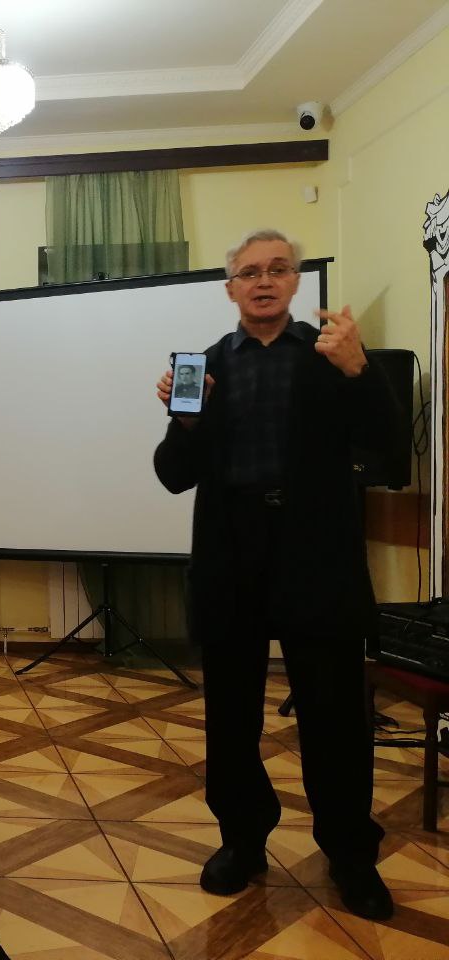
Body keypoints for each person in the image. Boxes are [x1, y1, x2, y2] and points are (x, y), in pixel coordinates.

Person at [153, 229, 397, 921]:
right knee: (231, 716)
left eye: (278, 269)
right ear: (230, 288)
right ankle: (241, 842)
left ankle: (350, 855)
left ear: (295, 282)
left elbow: (384, 442)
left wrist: (360, 370)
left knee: (335, 715)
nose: (264, 281)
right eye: (250, 272)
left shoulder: (330, 355)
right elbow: (172, 475)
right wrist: (184, 422)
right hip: (231, 554)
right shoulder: (204, 367)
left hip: (316, 553)